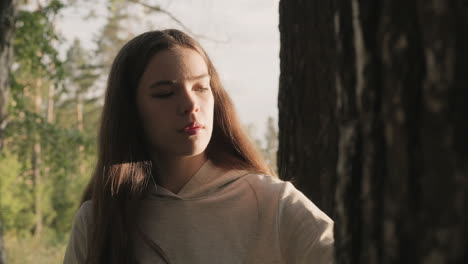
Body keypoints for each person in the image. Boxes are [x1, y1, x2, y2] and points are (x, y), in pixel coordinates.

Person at [63, 29, 334, 264]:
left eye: (201, 88)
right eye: (165, 93)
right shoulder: (97, 222)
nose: (190, 105)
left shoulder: (273, 203)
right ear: (130, 111)